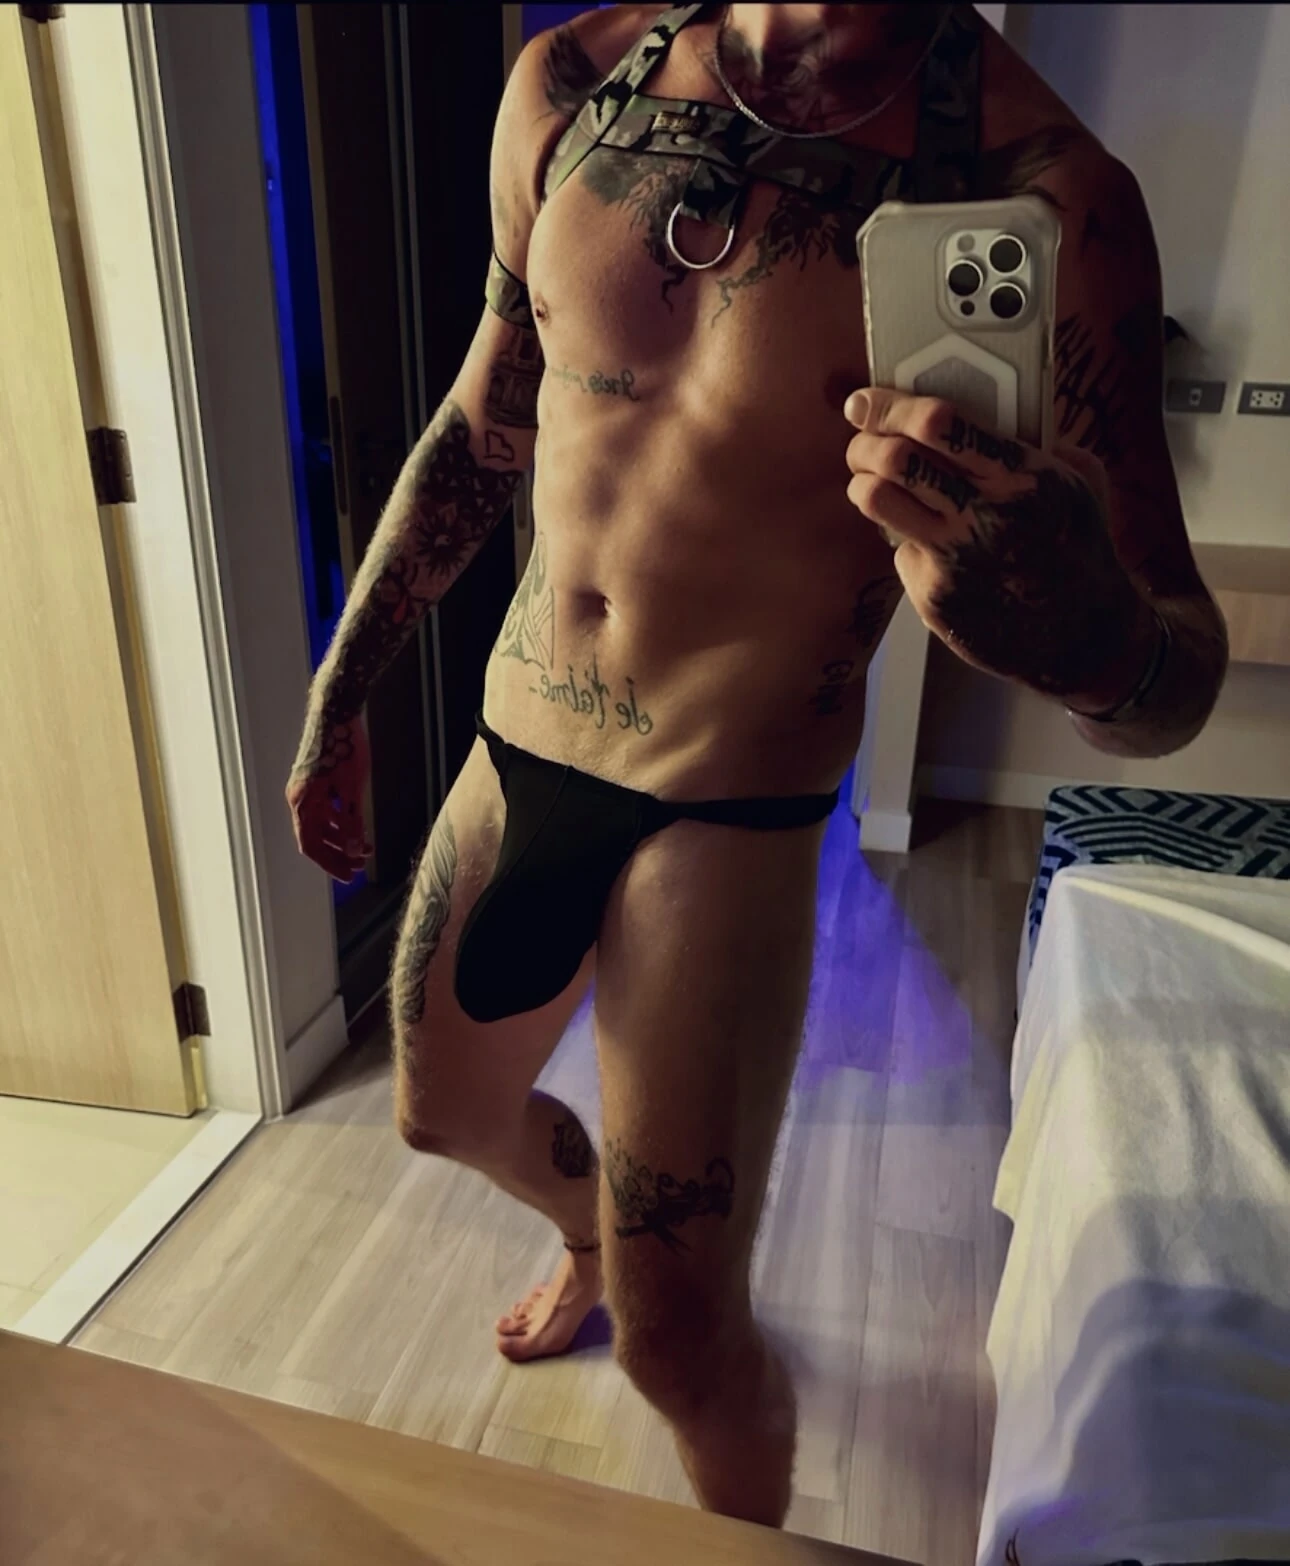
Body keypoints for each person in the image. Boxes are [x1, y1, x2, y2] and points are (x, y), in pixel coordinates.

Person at [286, 2, 1227, 1528]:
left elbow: (1172, 672)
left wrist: (1085, 638)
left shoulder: (1040, 190)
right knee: (439, 1115)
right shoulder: (571, 82)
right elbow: (482, 426)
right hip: (517, 745)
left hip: (723, 811)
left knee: (683, 1346)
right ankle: (589, 1239)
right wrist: (345, 686)